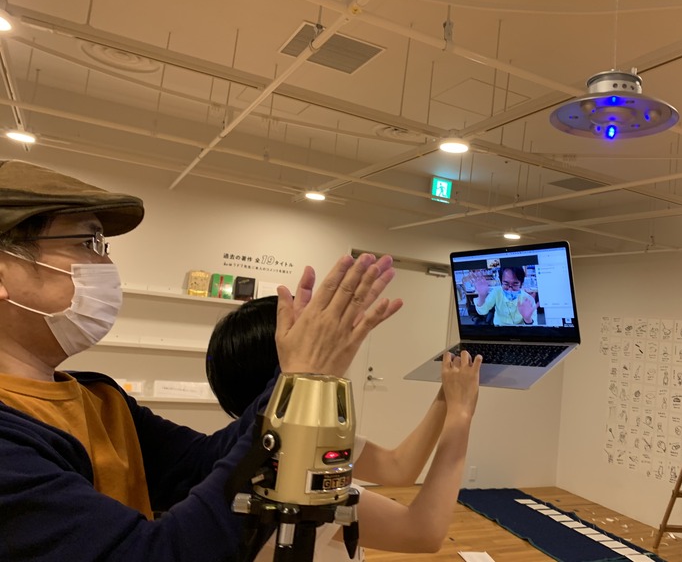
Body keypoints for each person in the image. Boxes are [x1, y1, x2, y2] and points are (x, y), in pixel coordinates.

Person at [0, 159, 402, 561]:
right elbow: (155, 554)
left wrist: (294, 374)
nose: (107, 266)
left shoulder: (101, 398)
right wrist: (300, 382)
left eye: (103, 247)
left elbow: (203, 464)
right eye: (87, 243)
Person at [206, 296, 482, 560]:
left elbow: (398, 467)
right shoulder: (286, 487)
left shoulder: (303, 439)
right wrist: (461, 414)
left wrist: (448, 394)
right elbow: (421, 532)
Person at [469, 266, 537, 326]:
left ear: (521, 284)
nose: (510, 290)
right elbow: (482, 311)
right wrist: (482, 296)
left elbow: (534, 328)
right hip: (499, 329)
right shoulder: (496, 292)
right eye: (506, 284)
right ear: (501, 282)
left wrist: (527, 319)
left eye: (515, 284)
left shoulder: (528, 299)